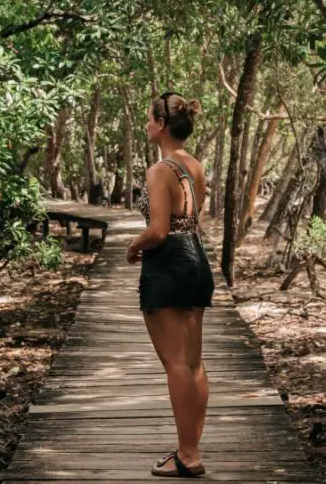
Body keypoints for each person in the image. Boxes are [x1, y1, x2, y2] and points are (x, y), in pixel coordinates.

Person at [126, 91, 215, 478]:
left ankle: (188, 455)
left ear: (161, 125)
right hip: (196, 259)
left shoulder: (160, 170)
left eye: (149, 118)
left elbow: (159, 230)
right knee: (193, 363)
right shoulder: (194, 165)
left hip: (168, 265)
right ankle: (190, 449)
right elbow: (191, 219)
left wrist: (133, 246)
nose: (146, 124)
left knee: (175, 364)